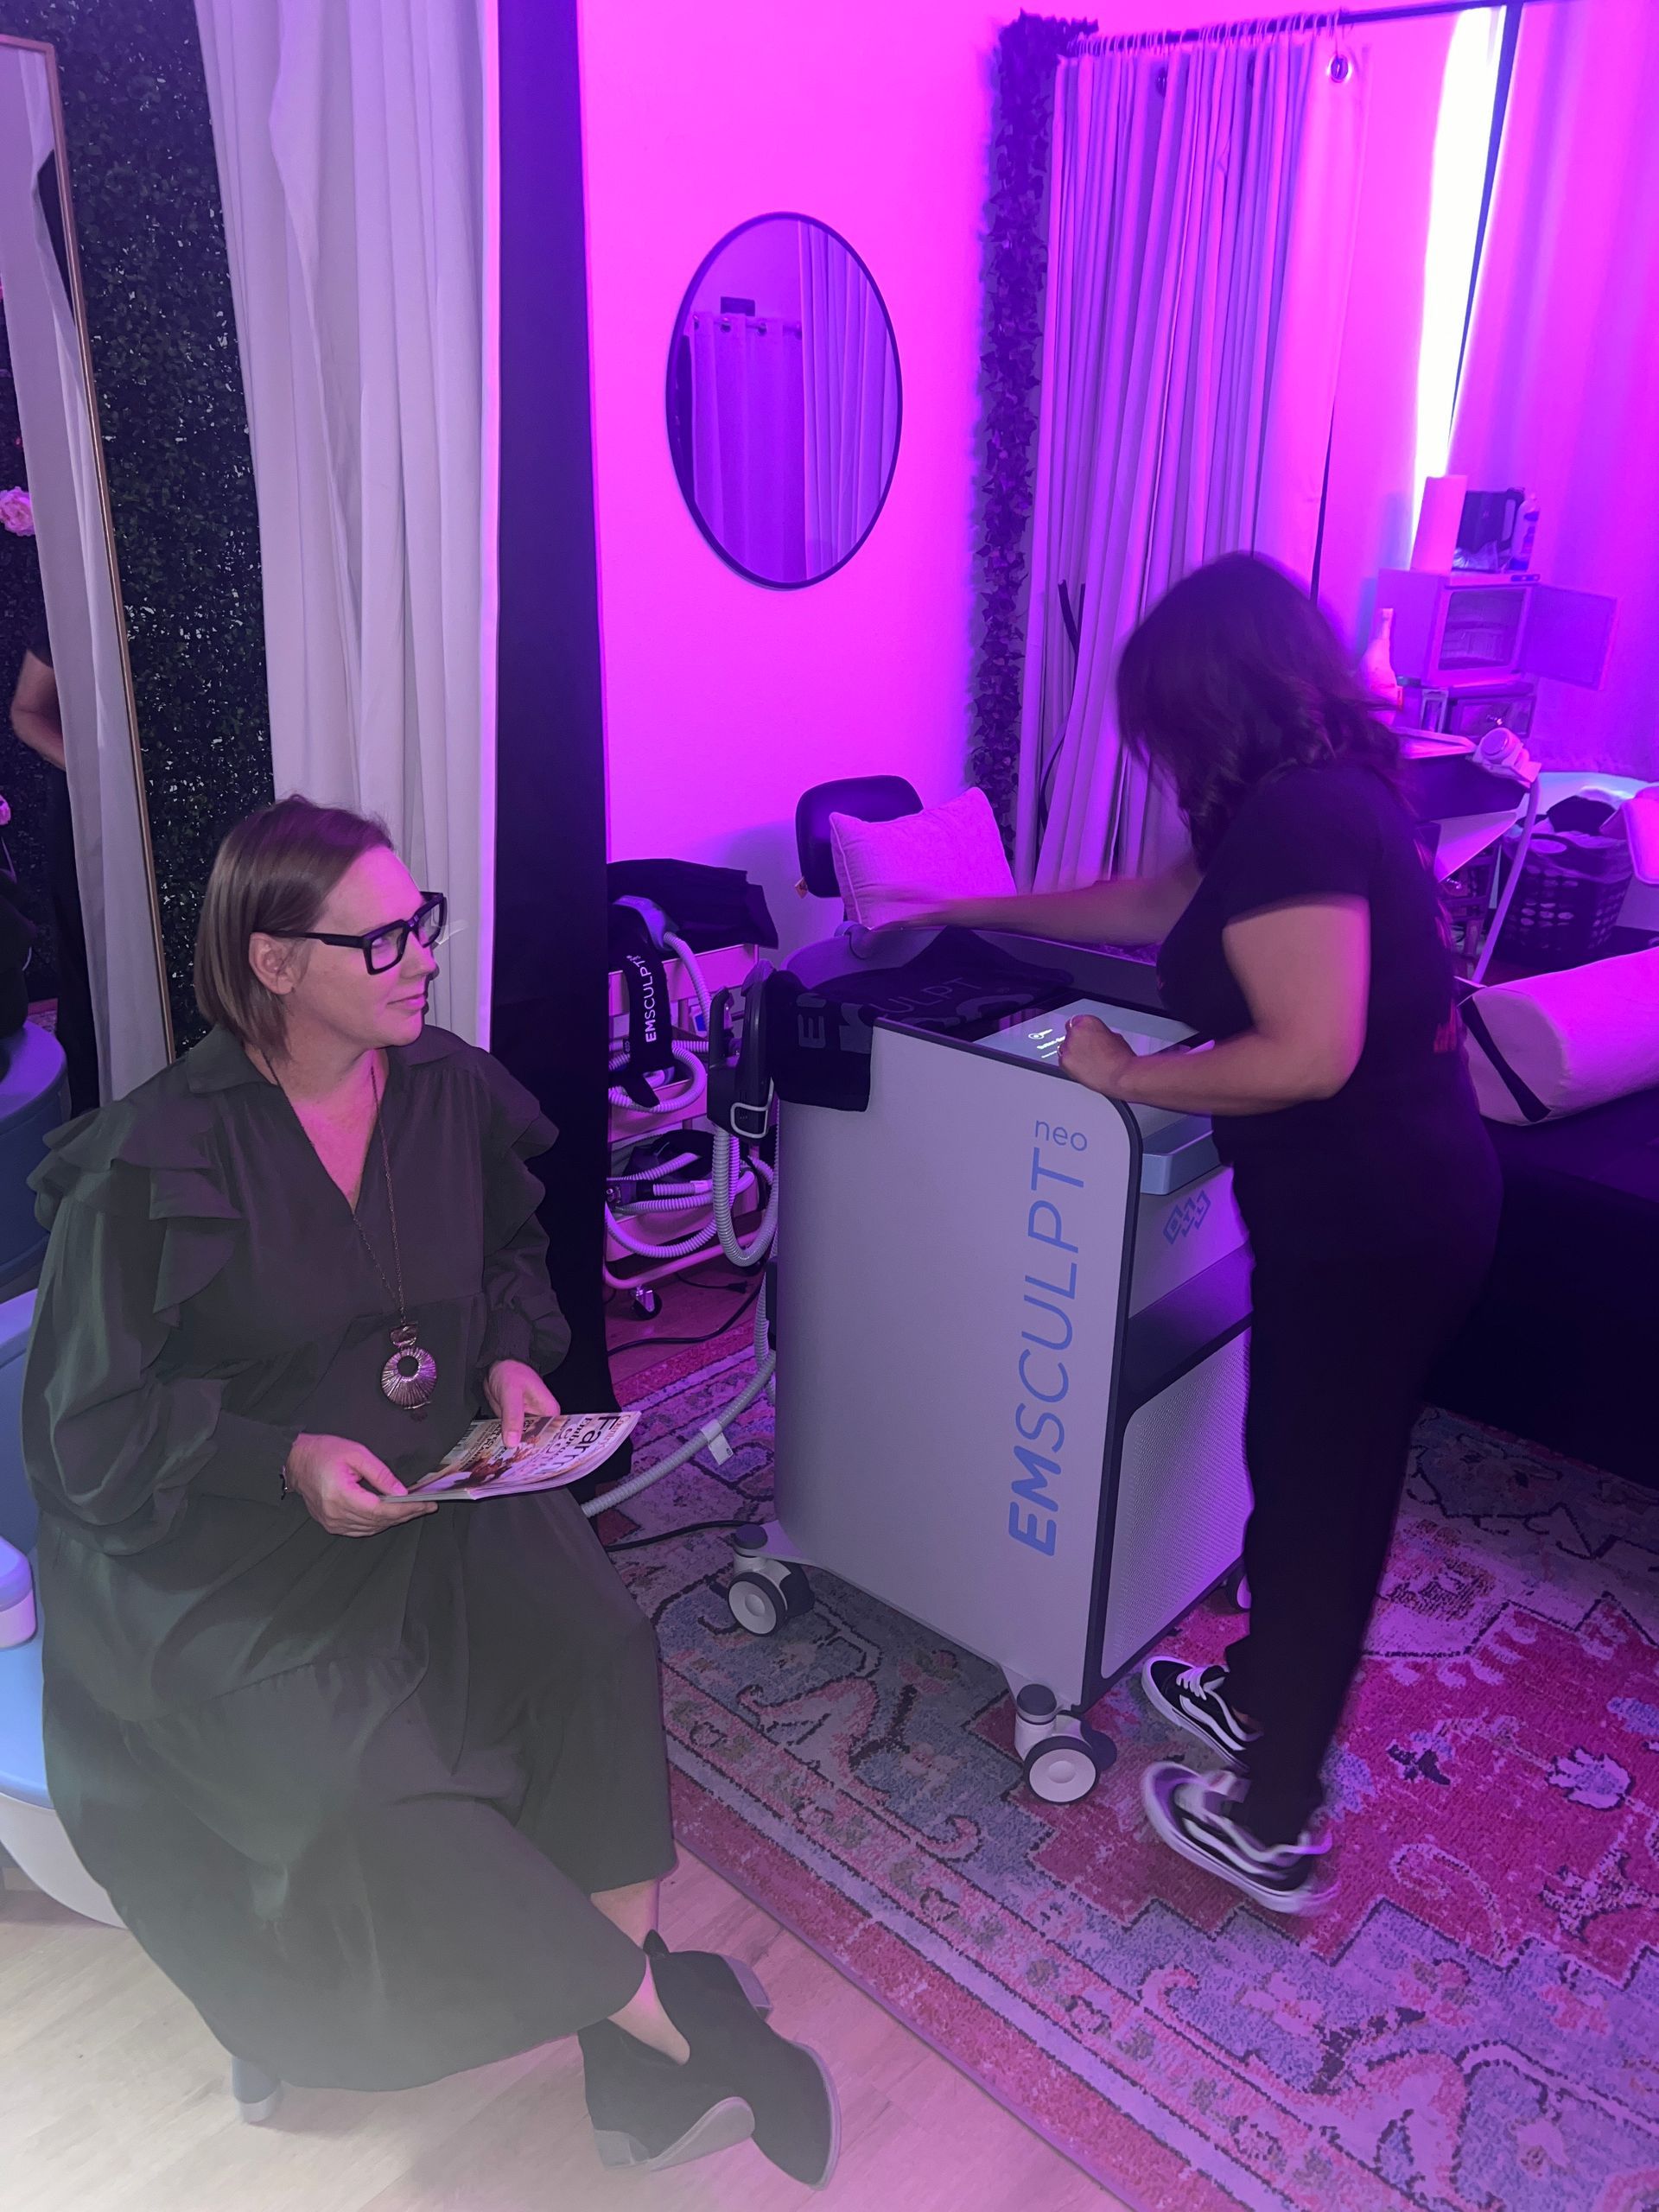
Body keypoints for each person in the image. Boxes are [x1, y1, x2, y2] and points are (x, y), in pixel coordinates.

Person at [22, 795, 837, 2182]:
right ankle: (665, 2023)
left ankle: (618, 2045)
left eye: (423, 922)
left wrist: (516, 1364)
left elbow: (513, 1262)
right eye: (383, 936)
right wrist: (275, 1457)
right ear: (274, 962)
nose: (421, 955)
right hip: (214, 1551)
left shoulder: (447, 1091)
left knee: (592, 1646)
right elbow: (83, 1429)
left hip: (429, 1491)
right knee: (363, 1795)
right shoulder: (154, 1160)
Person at [920, 555, 1500, 1913]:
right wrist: (966, 902)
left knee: (1319, 1498)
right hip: (1397, 1205)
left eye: (1165, 725)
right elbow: (1149, 902)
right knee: (1291, 1456)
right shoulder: (1311, 803)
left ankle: (1277, 1821)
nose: (1162, 754)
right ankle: (1258, 1696)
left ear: (1209, 704)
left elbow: (1307, 1053)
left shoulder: (1298, 818)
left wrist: (1127, 1076)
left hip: (1375, 1224)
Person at [10, 628, 98, 1114]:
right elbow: (27, 709)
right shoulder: (82, 593)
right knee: (86, 958)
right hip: (85, 805)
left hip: (189, 799)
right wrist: (95, 770)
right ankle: (91, 1113)